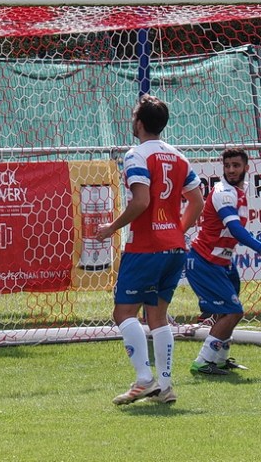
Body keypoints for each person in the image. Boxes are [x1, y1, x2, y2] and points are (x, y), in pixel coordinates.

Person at [96, 94, 204, 405]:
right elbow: (196, 201)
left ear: (139, 124)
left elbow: (141, 201)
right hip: (173, 247)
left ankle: (144, 379)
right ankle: (165, 386)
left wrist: (112, 228)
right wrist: (175, 232)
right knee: (158, 316)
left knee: (124, 312)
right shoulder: (179, 157)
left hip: (145, 247)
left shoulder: (136, 155)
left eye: (133, 118)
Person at [186, 148, 257, 375]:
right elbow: (235, 230)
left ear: (247, 167)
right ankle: (203, 361)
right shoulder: (223, 192)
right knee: (234, 311)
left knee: (228, 312)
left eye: (236, 165)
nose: (231, 170)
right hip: (204, 260)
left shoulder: (240, 191)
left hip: (222, 262)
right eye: (227, 166)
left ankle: (220, 358)